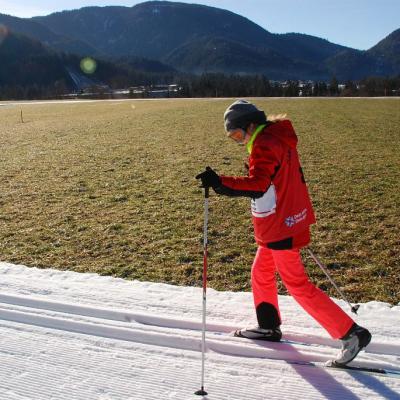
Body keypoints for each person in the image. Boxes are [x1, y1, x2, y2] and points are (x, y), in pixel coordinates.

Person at [195, 99, 371, 365]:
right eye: (233, 138)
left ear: (250, 125)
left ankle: (350, 333)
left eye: (238, 134)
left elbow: (258, 185)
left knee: (297, 284)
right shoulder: (276, 137)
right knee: (261, 272)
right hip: (285, 219)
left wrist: (220, 183)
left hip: (280, 225)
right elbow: (276, 178)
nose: (239, 140)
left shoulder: (265, 143)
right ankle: (268, 326)